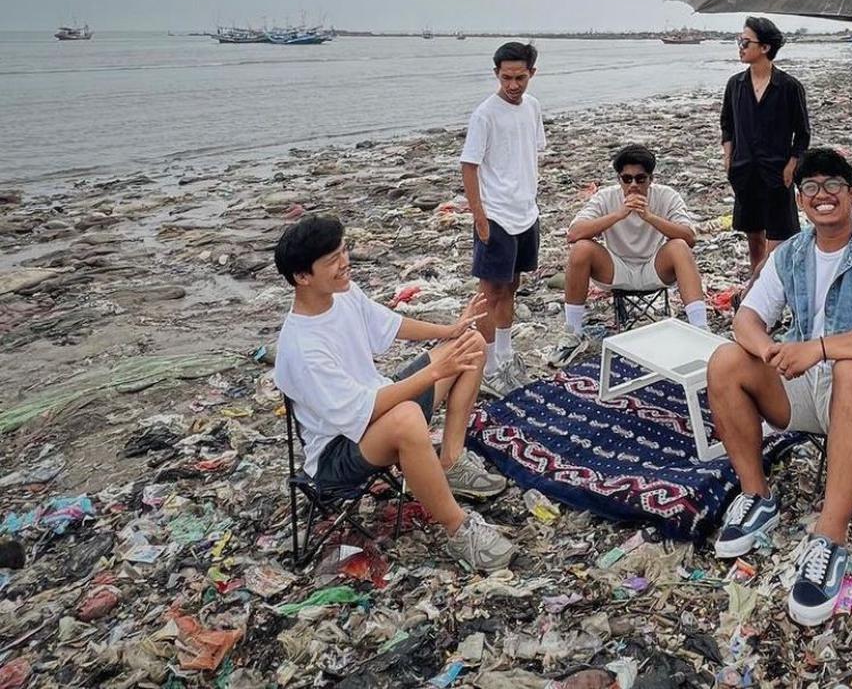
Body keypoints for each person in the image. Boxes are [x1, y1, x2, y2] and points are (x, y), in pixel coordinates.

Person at [706, 148, 852, 626]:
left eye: (832, 186)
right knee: (725, 360)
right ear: (800, 199)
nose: (822, 196)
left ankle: (829, 539)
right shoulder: (792, 253)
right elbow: (746, 317)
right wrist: (768, 351)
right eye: (811, 188)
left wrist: (820, 348)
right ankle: (756, 496)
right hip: (809, 385)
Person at [272, 215, 515, 572]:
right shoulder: (303, 347)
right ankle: (458, 530)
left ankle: (449, 462)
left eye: (344, 252)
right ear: (302, 277)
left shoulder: (343, 294)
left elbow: (390, 324)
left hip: (377, 408)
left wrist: (452, 328)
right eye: (332, 261)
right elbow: (364, 411)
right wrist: (435, 373)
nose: (345, 263)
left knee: (471, 344)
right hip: (336, 453)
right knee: (406, 418)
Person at [550, 144, 708, 367]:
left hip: (654, 266)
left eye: (640, 179)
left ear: (650, 179)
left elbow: (689, 236)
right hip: (617, 268)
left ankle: (700, 330)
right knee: (581, 248)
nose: (633, 185)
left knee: (679, 247)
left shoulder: (666, 196)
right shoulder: (607, 197)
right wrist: (619, 214)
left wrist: (649, 216)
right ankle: (572, 334)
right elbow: (574, 233)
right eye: (627, 179)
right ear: (619, 179)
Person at [460, 41, 546, 396]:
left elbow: (531, 152)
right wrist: (479, 217)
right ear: (496, 74)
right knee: (489, 292)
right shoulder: (485, 114)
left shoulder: (533, 108)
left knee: (513, 285)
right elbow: (469, 165)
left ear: (531, 74)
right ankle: (489, 366)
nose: (513, 85)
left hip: (526, 212)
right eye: (506, 78)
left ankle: (507, 355)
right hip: (495, 215)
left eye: (520, 77)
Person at [721, 16, 811, 284]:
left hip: (777, 172)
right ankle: (757, 287)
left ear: (765, 48)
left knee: (779, 238)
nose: (740, 46)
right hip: (744, 170)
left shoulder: (789, 87)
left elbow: (803, 132)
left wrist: (792, 164)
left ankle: (762, 288)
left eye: (746, 41)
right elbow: (727, 124)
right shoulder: (735, 85)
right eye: (740, 40)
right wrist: (728, 155)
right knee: (753, 236)